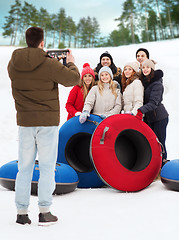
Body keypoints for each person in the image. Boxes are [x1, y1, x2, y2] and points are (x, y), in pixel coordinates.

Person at [7, 27, 80, 225]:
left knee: (24, 168)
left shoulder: (13, 64)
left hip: (25, 122)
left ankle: (21, 213)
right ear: (42, 42)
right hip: (47, 123)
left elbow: (29, 66)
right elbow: (74, 79)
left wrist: (41, 56)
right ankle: (44, 212)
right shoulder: (49, 64)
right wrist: (70, 63)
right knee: (47, 167)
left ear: (26, 40)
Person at [135, 59, 169, 167]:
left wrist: (140, 110)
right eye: (143, 67)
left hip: (159, 117)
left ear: (152, 69)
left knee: (160, 143)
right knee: (151, 144)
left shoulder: (157, 84)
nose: (145, 69)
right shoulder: (145, 81)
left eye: (147, 67)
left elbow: (154, 103)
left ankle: (162, 167)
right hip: (150, 118)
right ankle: (154, 166)